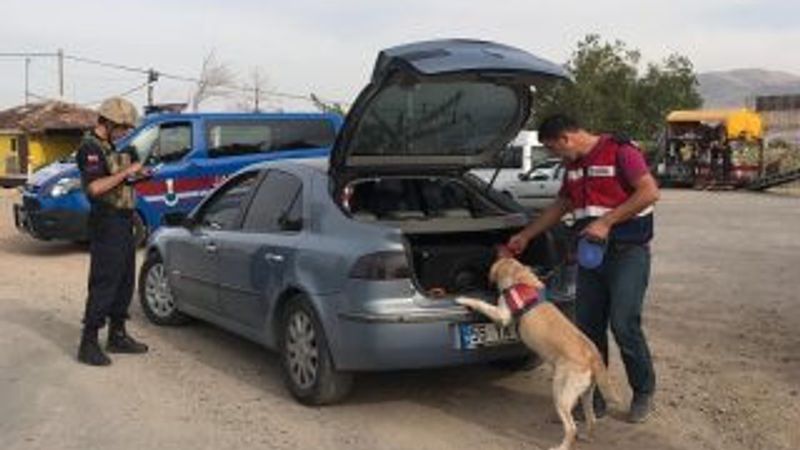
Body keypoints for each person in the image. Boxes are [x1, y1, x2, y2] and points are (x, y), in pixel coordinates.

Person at [507, 114, 660, 423]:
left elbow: (649, 192)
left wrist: (606, 222)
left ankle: (643, 392)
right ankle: (596, 399)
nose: (554, 156)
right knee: (589, 331)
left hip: (627, 254)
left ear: (567, 138)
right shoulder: (572, 167)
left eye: (553, 149)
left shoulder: (620, 151)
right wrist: (526, 235)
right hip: (591, 258)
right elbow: (560, 206)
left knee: (624, 324)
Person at [76, 97, 150, 366]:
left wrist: (136, 175)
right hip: (106, 222)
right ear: (107, 122)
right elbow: (94, 188)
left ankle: (117, 335)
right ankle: (89, 342)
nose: (126, 132)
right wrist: (126, 173)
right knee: (105, 281)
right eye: (123, 127)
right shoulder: (89, 148)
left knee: (124, 279)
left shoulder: (109, 145)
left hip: (123, 220)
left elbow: (115, 181)